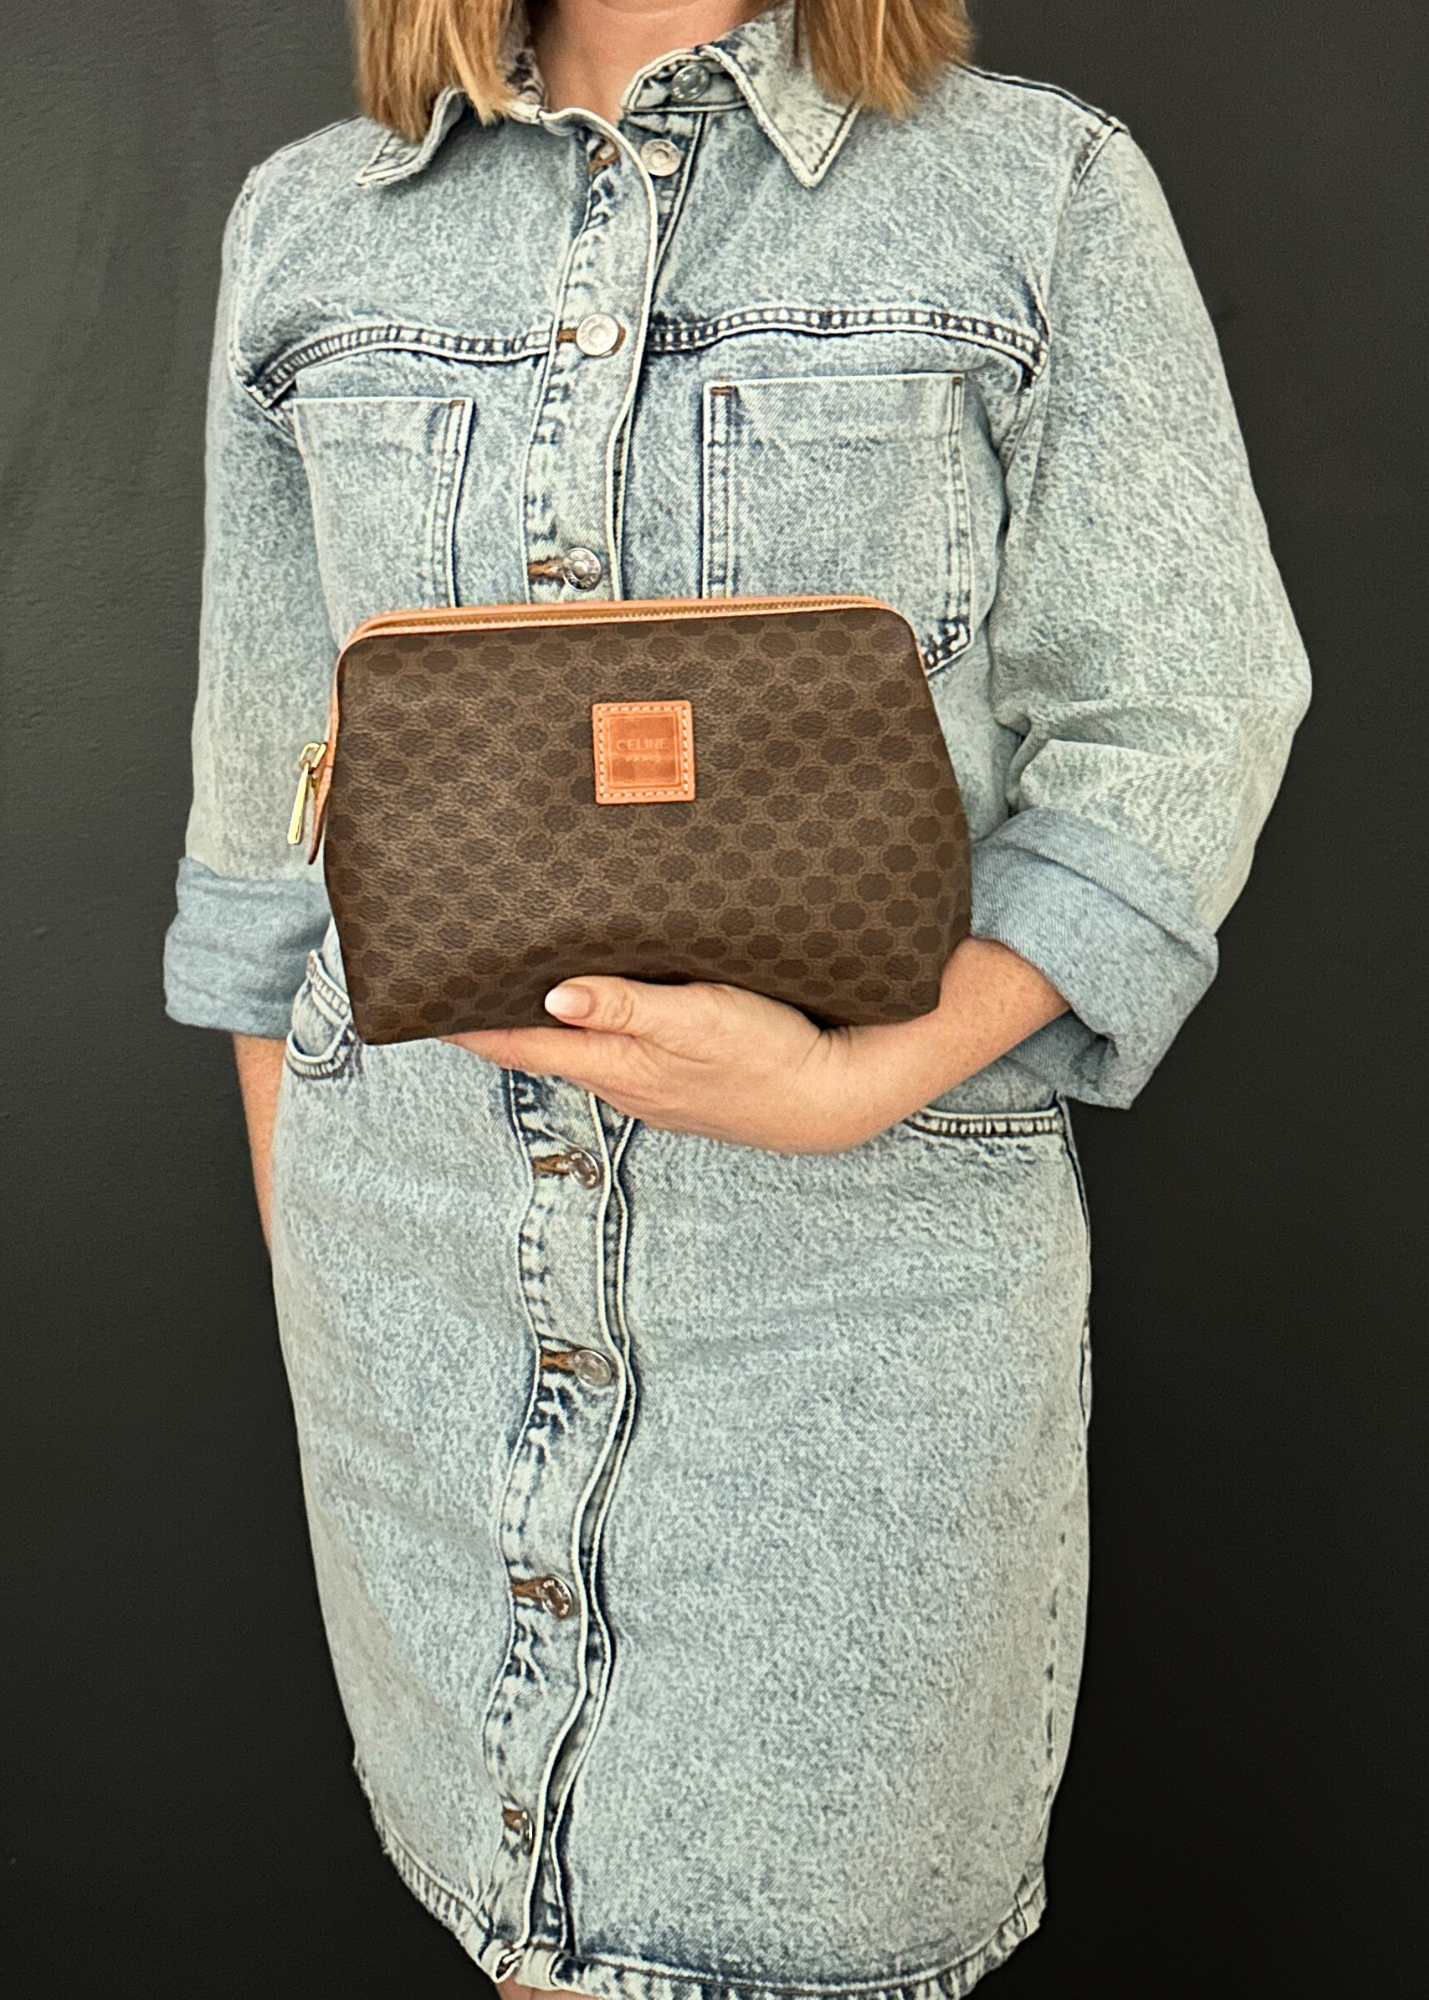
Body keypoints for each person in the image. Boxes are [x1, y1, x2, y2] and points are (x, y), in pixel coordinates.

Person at [162, 1, 1311, 1992]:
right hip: (415, 1350)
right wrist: (324, 1296)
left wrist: (866, 1075)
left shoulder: (1031, 194)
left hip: (849, 1365)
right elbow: (272, 852)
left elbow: (1184, 723)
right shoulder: (308, 229)